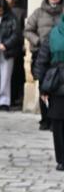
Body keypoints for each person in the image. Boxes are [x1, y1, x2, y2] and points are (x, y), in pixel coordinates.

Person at [26, 0, 64, 129]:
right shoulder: (38, 13)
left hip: (58, 56)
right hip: (41, 53)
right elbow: (28, 30)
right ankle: (45, 119)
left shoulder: (63, 12)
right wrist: (38, 41)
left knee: (58, 88)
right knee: (44, 85)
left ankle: (57, 119)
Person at [32, 12, 64, 170]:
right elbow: (42, 60)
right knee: (58, 122)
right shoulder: (54, 34)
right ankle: (62, 158)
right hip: (57, 83)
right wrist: (42, 86)